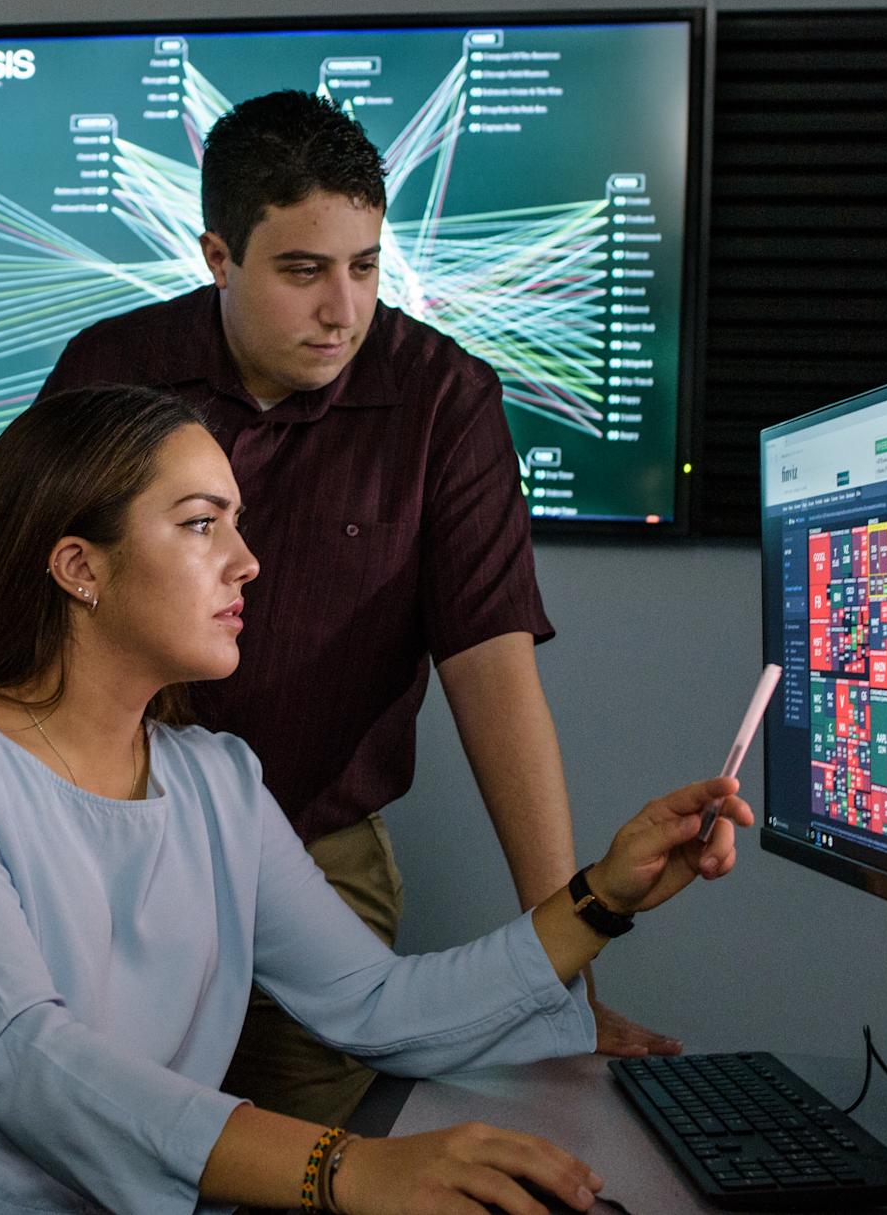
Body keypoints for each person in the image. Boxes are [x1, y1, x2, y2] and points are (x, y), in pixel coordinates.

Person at [0, 385, 752, 1215]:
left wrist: (602, 897)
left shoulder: (216, 781)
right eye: (203, 524)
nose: (246, 560)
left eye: (236, 524)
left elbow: (376, 1004)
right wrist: (343, 1167)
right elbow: (22, 1056)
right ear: (79, 567)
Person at [38, 90, 675, 1127]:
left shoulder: (441, 399)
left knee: (312, 1143)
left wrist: (567, 980)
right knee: (88, 1121)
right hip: (100, 828)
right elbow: (28, 603)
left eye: (366, 267)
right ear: (218, 257)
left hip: (314, 844)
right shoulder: (113, 372)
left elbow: (494, 675)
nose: (344, 310)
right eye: (303, 272)